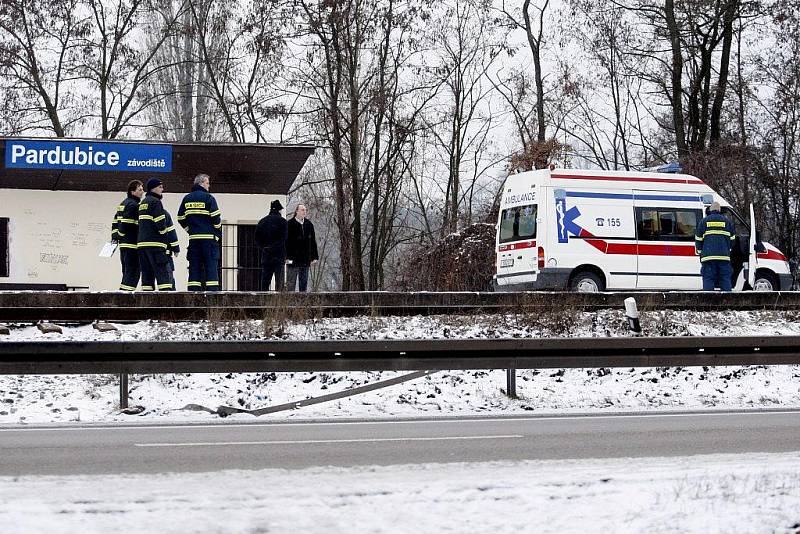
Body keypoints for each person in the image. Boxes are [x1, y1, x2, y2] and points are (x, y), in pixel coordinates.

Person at [177, 173, 222, 291]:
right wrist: (216, 231)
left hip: (194, 240)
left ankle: (193, 297)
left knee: (194, 269)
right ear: (201, 183)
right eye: (207, 183)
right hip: (209, 240)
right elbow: (216, 218)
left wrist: (190, 230)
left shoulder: (187, 199)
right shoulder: (209, 198)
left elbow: (180, 218)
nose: (209, 186)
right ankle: (212, 299)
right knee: (211, 268)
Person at [137, 178, 179, 291]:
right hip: (155, 246)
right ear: (153, 188)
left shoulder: (142, 203)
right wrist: (164, 236)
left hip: (142, 246)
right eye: (160, 187)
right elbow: (161, 224)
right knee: (163, 276)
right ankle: (165, 305)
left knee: (147, 276)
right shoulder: (156, 202)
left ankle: (147, 303)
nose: (162, 189)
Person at [695, 201, 736, 291]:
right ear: (719, 210)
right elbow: (733, 239)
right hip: (724, 257)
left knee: (708, 279)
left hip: (708, 257)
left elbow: (698, 239)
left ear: (710, 210)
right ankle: (726, 301)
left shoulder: (704, 221)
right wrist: (728, 248)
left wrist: (700, 251)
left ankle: (709, 302)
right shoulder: (727, 222)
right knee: (725, 279)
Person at [111, 180, 143, 291]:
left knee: (126, 272)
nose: (142, 192)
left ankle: (123, 295)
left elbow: (115, 222)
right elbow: (126, 223)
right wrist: (121, 234)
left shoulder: (122, 204)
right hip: (132, 245)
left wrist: (116, 237)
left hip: (124, 246)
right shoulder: (133, 205)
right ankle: (124, 297)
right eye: (139, 190)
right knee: (133, 273)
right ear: (132, 191)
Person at [255, 199, 288, 291]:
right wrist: (275, 248)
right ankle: (279, 303)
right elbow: (284, 238)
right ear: (279, 210)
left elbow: (257, 239)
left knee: (265, 283)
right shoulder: (283, 222)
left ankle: (262, 303)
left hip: (266, 256)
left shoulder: (262, 222)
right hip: (279, 256)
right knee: (280, 283)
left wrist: (265, 248)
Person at [285, 203, 319, 292]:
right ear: (297, 211)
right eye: (302, 210)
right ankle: (289, 304)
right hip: (292, 259)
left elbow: (313, 242)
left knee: (303, 284)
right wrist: (285, 257)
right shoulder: (289, 224)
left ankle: (303, 304)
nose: (305, 212)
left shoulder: (309, 224)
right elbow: (285, 242)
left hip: (305, 259)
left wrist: (315, 257)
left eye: (305, 210)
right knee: (290, 283)